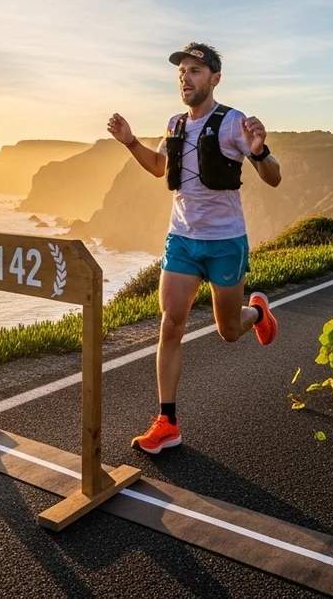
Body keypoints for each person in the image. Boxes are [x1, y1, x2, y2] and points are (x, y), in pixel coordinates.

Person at [105, 42, 282, 454]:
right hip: (182, 240)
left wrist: (259, 152)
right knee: (170, 324)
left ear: (215, 78)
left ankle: (256, 311)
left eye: (195, 71)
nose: (186, 77)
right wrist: (131, 142)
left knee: (228, 331)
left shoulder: (233, 122)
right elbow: (159, 168)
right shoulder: (174, 124)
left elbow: (272, 178)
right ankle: (167, 422)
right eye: (182, 70)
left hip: (224, 243)